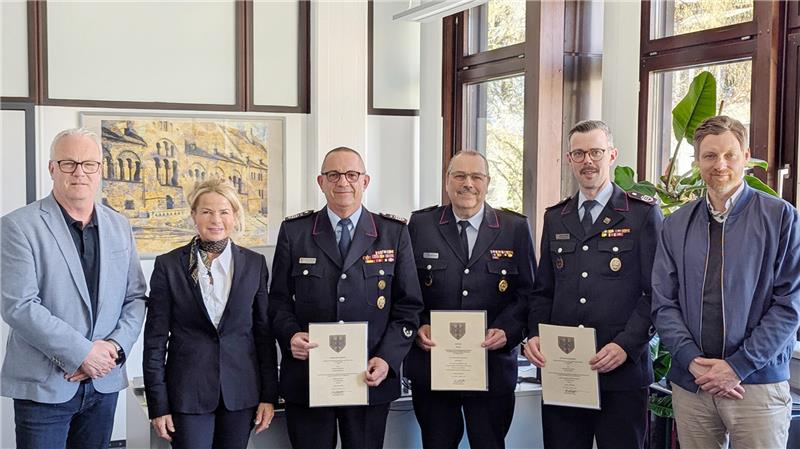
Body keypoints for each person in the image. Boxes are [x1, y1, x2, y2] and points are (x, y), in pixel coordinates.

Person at [651, 115, 800, 449]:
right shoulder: (675, 225)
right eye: (709, 156)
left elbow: (790, 306)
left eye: (729, 154)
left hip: (755, 385)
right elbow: (663, 302)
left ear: (745, 157)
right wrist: (691, 359)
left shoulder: (781, 217)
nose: (720, 164)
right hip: (693, 384)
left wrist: (737, 366)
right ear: (697, 161)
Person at [0, 127, 147, 449]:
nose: (79, 172)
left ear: (100, 170)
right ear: (52, 169)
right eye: (69, 163)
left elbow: (135, 297)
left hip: (103, 382)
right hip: (45, 385)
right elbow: (19, 305)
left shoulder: (119, 225)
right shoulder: (18, 226)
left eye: (89, 164)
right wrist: (82, 354)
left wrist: (114, 349)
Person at [269, 146, 423, 449]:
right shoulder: (294, 232)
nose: (343, 182)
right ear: (320, 181)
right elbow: (277, 301)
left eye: (351, 175)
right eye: (334, 175)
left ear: (365, 181)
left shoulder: (392, 233)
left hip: (369, 376)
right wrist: (289, 336)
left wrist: (388, 359)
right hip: (309, 377)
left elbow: (409, 307)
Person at [524, 120, 662, 449]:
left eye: (596, 152)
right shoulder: (556, 217)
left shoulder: (642, 215)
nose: (588, 161)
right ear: (569, 159)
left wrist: (626, 345)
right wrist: (533, 335)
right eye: (579, 153)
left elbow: (656, 293)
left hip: (621, 370)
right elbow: (544, 289)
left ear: (611, 155)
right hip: (565, 369)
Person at [405, 149, 536, 449]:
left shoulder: (514, 228)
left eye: (476, 176)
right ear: (447, 182)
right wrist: (419, 326)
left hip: (492, 368)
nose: (468, 184)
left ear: (487, 182)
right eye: (460, 176)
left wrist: (508, 331)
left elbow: (528, 293)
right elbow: (406, 291)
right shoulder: (420, 225)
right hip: (434, 367)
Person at [143, 178, 278, 449]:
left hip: (240, 393)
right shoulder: (168, 266)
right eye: (206, 212)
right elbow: (155, 341)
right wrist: (158, 405)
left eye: (224, 212)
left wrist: (268, 396)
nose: (215, 219)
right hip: (187, 393)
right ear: (194, 215)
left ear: (235, 216)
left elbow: (263, 336)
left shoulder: (254, 264)